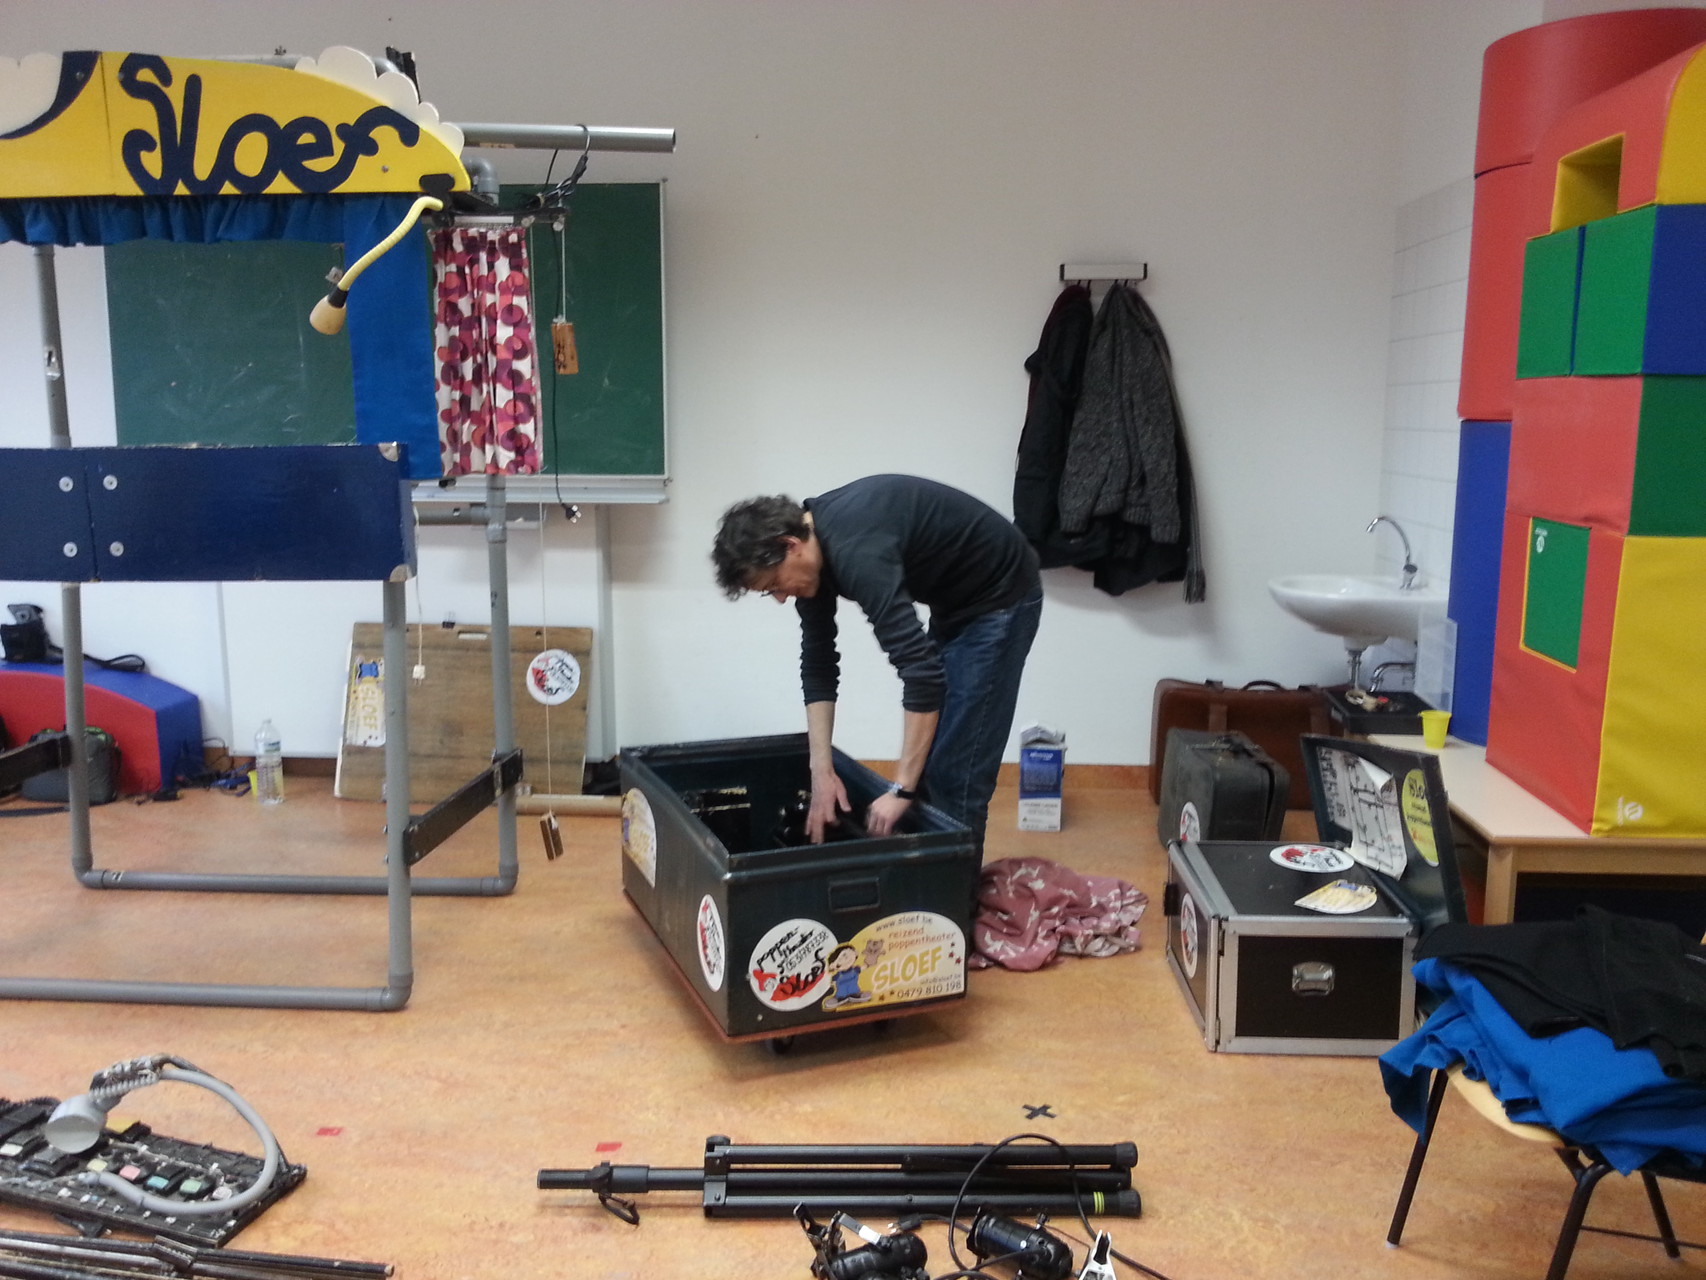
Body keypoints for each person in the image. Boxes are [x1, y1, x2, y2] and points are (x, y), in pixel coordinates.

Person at [712, 474, 1042, 854]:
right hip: (957, 599)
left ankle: (953, 891)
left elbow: (921, 674)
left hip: (1002, 596)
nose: (781, 598)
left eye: (774, 584)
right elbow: (819, 664)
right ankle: (928, 875)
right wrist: (820, 773)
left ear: (790, 546)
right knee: (931, 760)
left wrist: (901, 788)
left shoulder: (857, 552)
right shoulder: (813, 544)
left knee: (957, 774)